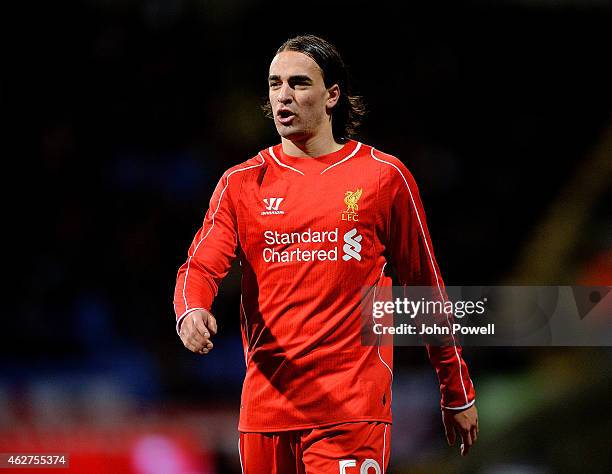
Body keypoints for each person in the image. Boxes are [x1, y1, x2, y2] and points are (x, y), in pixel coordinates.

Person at [173, 34, 478, 473]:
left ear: (333, 94)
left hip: (350, 410)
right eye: (275, 84)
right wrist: (191, 310)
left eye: (298, 83)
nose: (283, 95)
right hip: (266, 413)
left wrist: (456, 386)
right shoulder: (241, 183)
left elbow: (424, 286)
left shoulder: (382, 177)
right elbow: (200, 264)